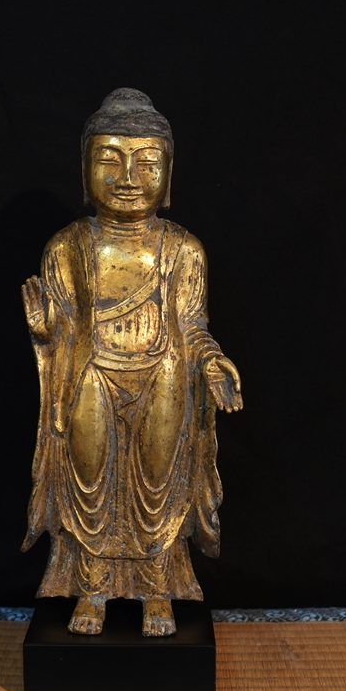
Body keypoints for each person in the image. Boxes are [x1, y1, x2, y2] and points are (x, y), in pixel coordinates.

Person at [21, 88, 242, 636]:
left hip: (163, 370)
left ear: (169, 174)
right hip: (90, 372)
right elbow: (64, 327)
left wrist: (212, 363)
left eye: (145, 162)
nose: (127, 177)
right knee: (89, 485)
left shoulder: (183, 250)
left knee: (158, 488)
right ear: (84, 171)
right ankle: (92, 589)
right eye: (109, 159)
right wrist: (47, 333)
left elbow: (191, 326)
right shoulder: (67, 247)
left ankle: (156, 591)